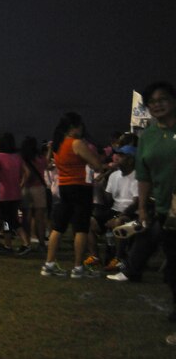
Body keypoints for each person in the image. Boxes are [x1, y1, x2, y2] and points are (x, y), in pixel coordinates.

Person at [109, 83, 176, 321]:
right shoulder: (148, 136)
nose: (157, 104)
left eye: (163, 99)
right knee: (172, 268)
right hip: (165, 211)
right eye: (152, 102)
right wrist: (141, 209)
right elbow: (144, 175)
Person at [41, 112, 105, 278]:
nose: (82, 129)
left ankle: (49, 264)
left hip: (64, 186)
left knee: (58, 227)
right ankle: (78, 267)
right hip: (80, 187)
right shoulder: (76, 143)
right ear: (73, 127)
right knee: (81, 228)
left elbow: (50, 162)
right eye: (80, 126)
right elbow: (97, 165)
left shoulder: (57, 144)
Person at [0, 132, 30, 253]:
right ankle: (9, 244)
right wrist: (21, 184)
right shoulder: (18, 156)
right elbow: (27, 172)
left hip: (3, 193)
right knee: (9, 219)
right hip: (16, 193)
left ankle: (24, 243)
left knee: (9, 220)